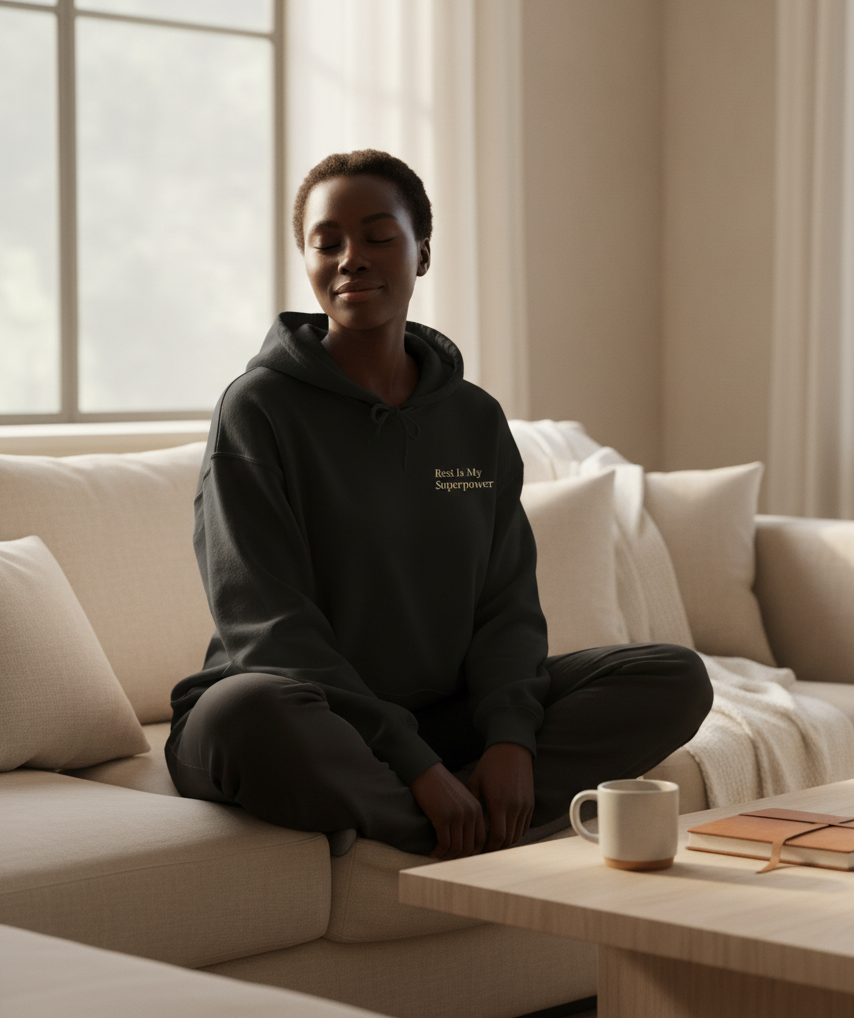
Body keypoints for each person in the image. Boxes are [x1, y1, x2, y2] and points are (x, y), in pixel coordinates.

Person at [165, 149, 713, 860]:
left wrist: (511, 739)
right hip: (310, 714)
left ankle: (449, 812)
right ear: (305, 260)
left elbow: (506, 603)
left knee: (672, 676)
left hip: (442, 717)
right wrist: (415, 766)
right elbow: (269, 626)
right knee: (247, 712)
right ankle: (456, 829)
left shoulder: (474, 420)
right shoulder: (257, 409)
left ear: (422, 252)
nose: (351, 259)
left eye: (377, 237)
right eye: (327, 242)